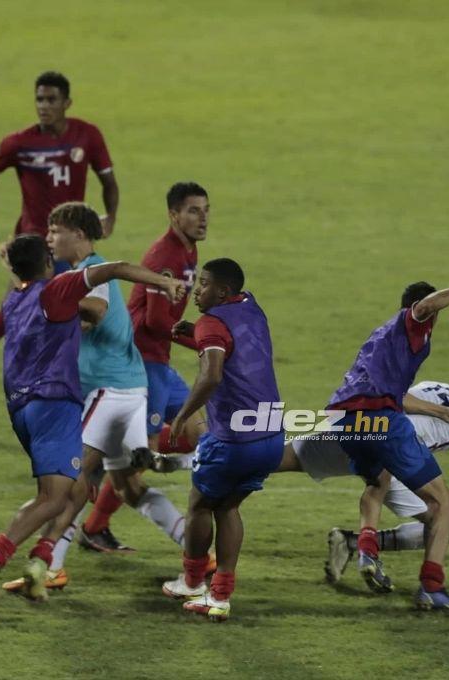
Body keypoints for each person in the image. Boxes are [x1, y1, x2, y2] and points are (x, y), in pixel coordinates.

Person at [0, 227, 183, 608]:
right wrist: (161, 282)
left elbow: (77, 310)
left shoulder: (13, 299)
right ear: (49, 264)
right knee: (56, 497)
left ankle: (43, 560)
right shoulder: (57, 290)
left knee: (76, 486)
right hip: (54, 405)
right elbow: (114, 269)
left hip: (20, 408)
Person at [299, 274, 449, 612]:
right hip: (382, 418)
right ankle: (431, 588)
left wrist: (437, 410)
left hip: (342, 417)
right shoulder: (413, 322)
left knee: (377, 481)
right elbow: (426, 305)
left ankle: (365, 549)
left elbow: (392, 390)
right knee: (442, 503)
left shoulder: (383, 333)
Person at [0, 70, 118, 418]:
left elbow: (109, 181)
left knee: (28, 315)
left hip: (67, 243)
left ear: (67, 103)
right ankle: (75, 393)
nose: (44, 106)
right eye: (39, 99)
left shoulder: (87, 136)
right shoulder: (21, 142)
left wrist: (109, 216)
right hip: (34, 246)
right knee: (37, 315)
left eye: (51, 100)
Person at [276, 373, 449, 583]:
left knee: (270, 460)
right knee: (443, 523)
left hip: (358, 426)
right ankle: (383, 559)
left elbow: (396, 398)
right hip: (394, 450)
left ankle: (353, 543)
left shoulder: (436, 387)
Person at [78, 181, 208, 553]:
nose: (202, 218)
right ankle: (90, 520)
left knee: (202, 432)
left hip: (160, 363)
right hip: (143, 366)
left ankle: (97, 510)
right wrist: (202, 341)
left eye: (205, 210)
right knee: (139, 462)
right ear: (174, 214)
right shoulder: (164, 257)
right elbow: (153, 323)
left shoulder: (188, 251)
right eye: (193, 211)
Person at [160, 259, 284, 623]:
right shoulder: (251, 307)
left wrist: (182, 416)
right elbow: (234, 346)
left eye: (204, 284)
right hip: (271, 435)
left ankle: (193, 581)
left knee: (199, 505)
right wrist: (194, 335)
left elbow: (212, 373)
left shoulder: (212, 323)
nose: (197, 289)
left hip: (233, 439)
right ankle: (221, 596)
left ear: (223, 292)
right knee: (228, 507)